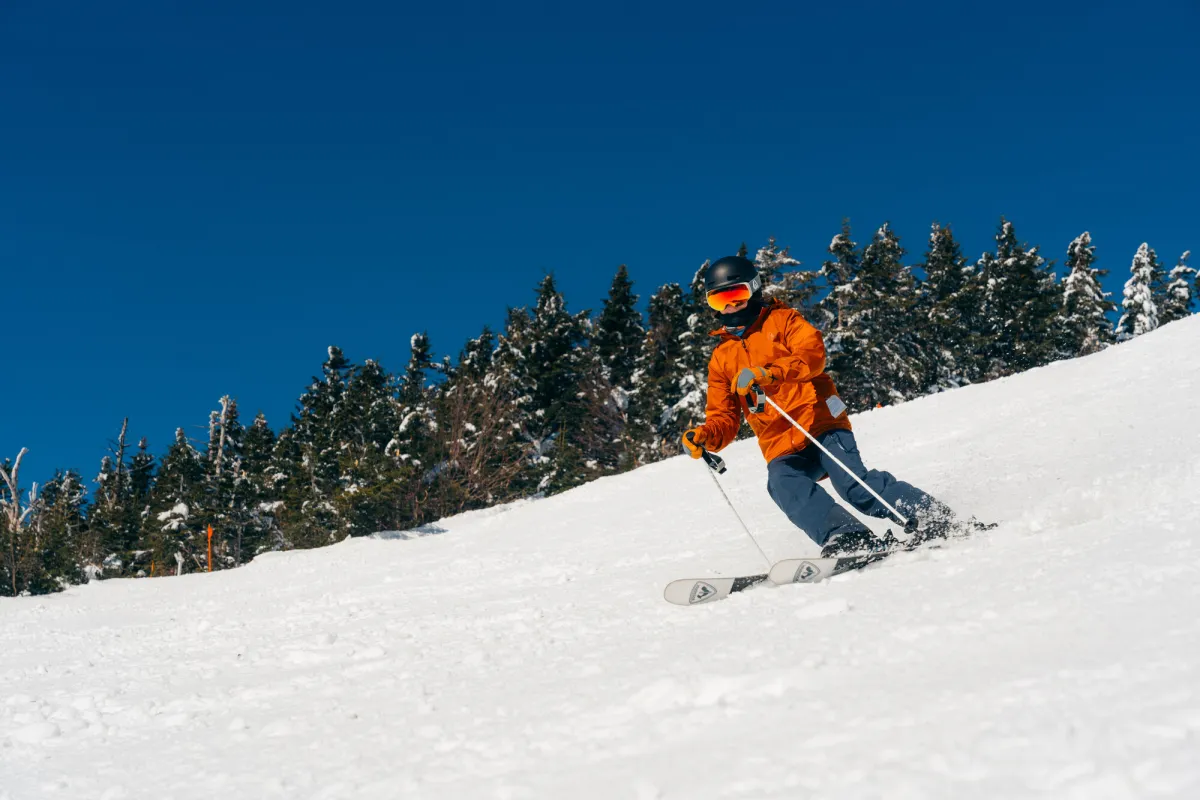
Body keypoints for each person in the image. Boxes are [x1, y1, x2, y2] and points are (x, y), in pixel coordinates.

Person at [682, 255, 963, 557]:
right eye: (718, 300)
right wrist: (704, 436)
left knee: (853, 485)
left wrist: (771, 372)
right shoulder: (721, 358)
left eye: (735, 295)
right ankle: (849, 537)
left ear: (753, 289)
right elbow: (723, 416)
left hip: (820, 422)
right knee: (783, 485)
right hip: (779, 442)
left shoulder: (784, 321)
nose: (729, 307)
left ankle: (931, 515)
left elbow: (813, 356)